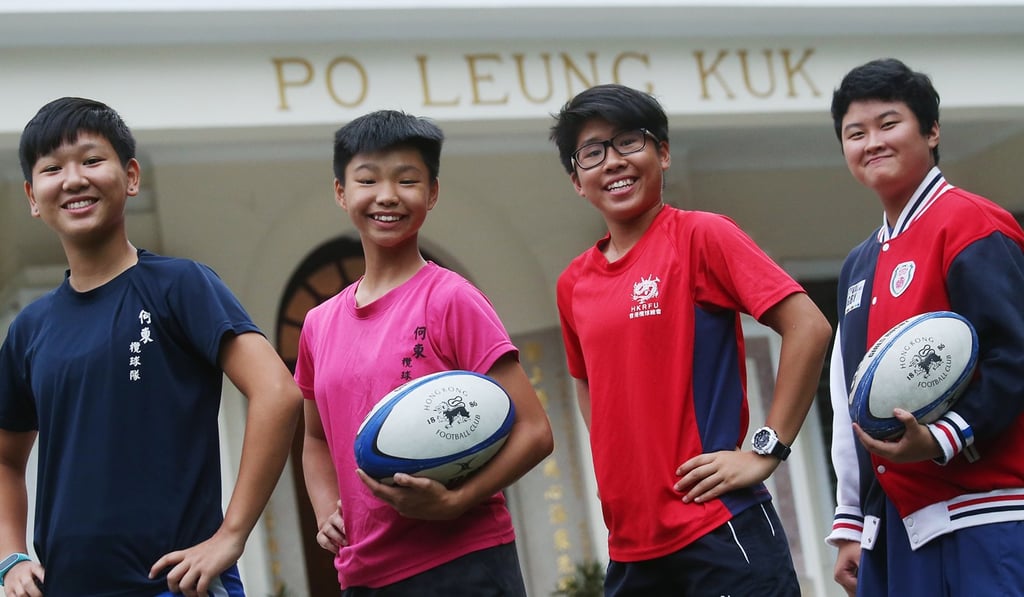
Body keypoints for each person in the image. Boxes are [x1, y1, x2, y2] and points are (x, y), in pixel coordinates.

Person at [0, 97, 303, 596]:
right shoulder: (30, 329)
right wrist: (12, 557)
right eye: (53, 169)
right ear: (33, 197)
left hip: (178, 586)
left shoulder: (180, 286)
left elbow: (278, 392)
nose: (74, 179)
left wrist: (232, 534)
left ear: (131, 176)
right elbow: (7, 460)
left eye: (92, 160)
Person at [549, 83, 832, 595]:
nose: (613, 162)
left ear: (663, 152)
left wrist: (766, 449)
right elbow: (588, 384)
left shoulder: (701, 235)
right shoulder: (574, 284)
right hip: (631, 547)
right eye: (593, 152)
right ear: (576, 179)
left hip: (719, 528)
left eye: (629, 142)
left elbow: (809, 327)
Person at [296, 109, 554, 595]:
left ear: (432, 193)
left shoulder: (451, 299)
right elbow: (314, 439)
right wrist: (326, 507)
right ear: (341, 192)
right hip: (364, 574)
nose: (387, 195)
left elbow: (535, 431)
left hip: (462, 563)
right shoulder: (317, 324)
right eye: (367, 179)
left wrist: (458, 502)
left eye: (407, 179)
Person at [825, 58, 1024, 597]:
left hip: (987, 513)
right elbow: (849, 400)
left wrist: (941, 437)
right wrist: (851, 522)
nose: (872, 143)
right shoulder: (858, 264)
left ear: (931, 131)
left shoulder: (972, 223)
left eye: (889, 124)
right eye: (855, 133)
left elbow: (1015, 356)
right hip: (897, 526)